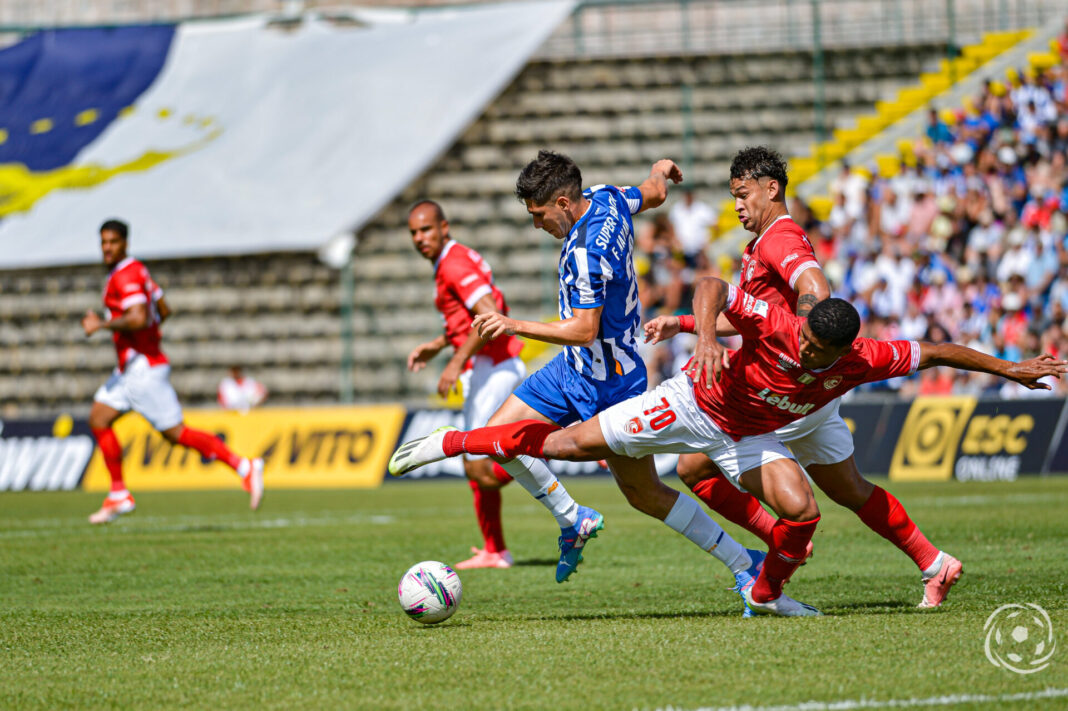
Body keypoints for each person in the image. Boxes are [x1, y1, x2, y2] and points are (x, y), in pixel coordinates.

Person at [389, 276, 1066, 615]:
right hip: (689, 402)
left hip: (746, 434)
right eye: (804, 338)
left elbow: (935, 350)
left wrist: (1011, 369)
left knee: (804, 509)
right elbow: (711, 284)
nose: (804, 349)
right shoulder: (775, 317)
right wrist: (706, 332)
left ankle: (765, 591)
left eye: (817, 350)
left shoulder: (861, 357)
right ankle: (453, 439)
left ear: (841, 351)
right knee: (568, 445)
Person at [396, 151, 773, 615]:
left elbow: (584, 329)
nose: (537, 226)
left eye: (539, 216)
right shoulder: (607, 198)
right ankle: (572, 518)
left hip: (611, 382)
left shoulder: (586, 253)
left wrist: (514, 325)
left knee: (644, 494)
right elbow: (652, 191)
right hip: (571, 370)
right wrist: (662, 169)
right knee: (497, 443)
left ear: (562, 202)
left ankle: (744, 564)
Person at [661, 145, 965, 608]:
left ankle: (780, 554)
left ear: (772, 188)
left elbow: (816, 288)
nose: (737, 205)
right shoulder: (766, 242)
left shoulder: (780, 239)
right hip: (812, 392)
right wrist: (684, 324)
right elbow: (752, 316)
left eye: (743, 195)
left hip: (787, 389)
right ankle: (934, 563)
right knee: (852, 490)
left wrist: (798, 355)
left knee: (694, 467)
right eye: (733, 197)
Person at [81, 219, 264, 524]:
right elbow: (163, 309)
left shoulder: (126, 275)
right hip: (132, 367)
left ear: (125, 242)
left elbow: (139, 317)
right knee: (99, 418)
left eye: (113, 242)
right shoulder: (139, 272)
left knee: (177, 434)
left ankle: (244, 466)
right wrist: (146, 336)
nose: (107, 248)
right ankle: (118, 494)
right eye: (103, 242)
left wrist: (102, 324)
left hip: (143, 370)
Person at [405, 199, 525, 570]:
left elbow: (489, 314)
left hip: (494, 364)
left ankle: (547, 442)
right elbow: (464, 320)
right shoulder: (450, 261)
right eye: (413, 233)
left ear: (444, 226)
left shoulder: (454, 263)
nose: (419, 238)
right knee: (476, 472)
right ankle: (495, 550)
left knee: (480, 469)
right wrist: (440, 345)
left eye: (426, 229)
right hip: (489, 364)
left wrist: (455, 362)